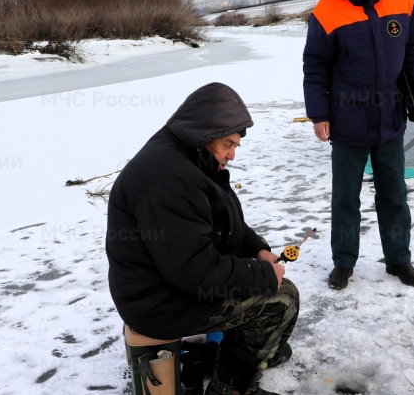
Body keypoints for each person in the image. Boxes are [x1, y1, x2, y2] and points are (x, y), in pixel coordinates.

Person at [106, 82, 299, 395]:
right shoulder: (173, 179)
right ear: (205, 133)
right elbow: (195, 271)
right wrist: (264, 275)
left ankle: (253, 350)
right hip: (159, 303)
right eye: (227, 144)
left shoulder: (187, 154)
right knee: (282, 298)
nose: (232, 155)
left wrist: (258, 250)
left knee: (262, 285)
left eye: (235, 145)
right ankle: (229, 387)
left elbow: (221, 222)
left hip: (160, 287)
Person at [303, 0, 414, 290]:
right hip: (347, 121)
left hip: (390, 117)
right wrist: (319, 114)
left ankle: (399, 260)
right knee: (346, 197)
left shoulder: (403, 0)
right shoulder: (327, 10)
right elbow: (315, 68)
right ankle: (344, 262)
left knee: (393, 194)